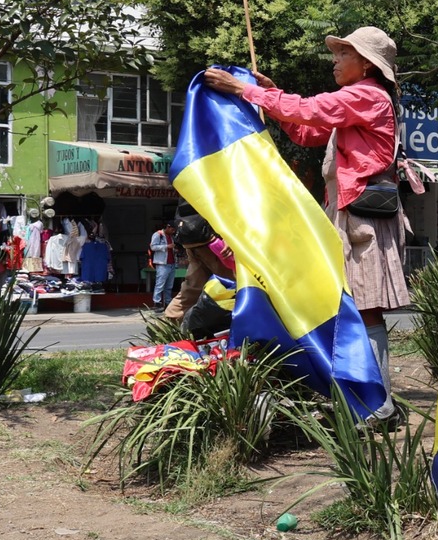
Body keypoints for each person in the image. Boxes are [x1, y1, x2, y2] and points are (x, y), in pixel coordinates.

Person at [203, 26, 410, 430]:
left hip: (362, 222)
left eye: (342, 54)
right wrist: (271, 93)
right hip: (345, 215)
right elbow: (306, 130)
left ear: (366, 63)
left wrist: (244, 91)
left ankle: (379, 406)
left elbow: (308, 111)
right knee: (351, 307)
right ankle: (364, 397)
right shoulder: (355, 102)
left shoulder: (367, 95)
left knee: (366, 309)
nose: (334, 61)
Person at [149, 220, 177, 311]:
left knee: (169, 285)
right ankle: (157, 302)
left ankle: (168, 302)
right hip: (162, 264)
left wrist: (173, 250)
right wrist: (166, 246)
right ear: (168, 227)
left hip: (171, 263)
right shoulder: (158, 234)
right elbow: (153, 247)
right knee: (160, 284)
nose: (173, 231)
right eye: (172, 229)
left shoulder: (170, 236)